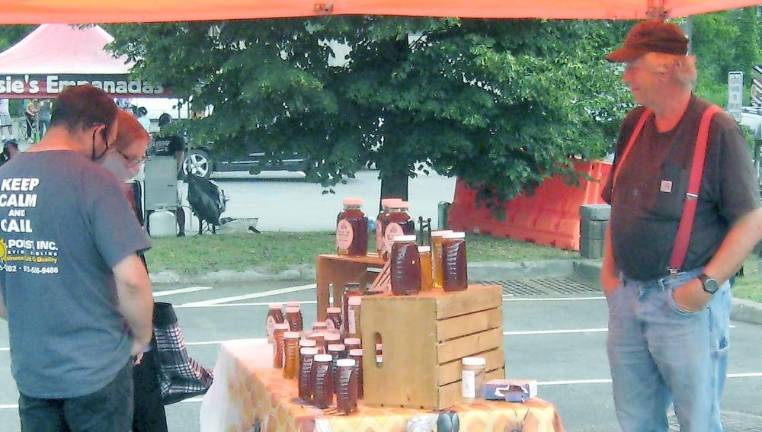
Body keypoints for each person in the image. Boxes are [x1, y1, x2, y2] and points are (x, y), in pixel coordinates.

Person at [601, 21, 762, 431]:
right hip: (628, 296)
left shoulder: (717, 129)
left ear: (666, 67)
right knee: (636, 422)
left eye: (632, 66)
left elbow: (751, 220)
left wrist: (704, 288)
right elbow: (616, 202)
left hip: (684, 304)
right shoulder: (633, 125)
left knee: (698, 423)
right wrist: (609, 277)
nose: (626, 76)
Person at [0, 85, 154, 432]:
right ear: (98, 131)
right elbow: (131, 280)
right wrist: (141, 337)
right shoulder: (96, 182)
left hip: (33, 372)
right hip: (97, 373)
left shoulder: (3, 179)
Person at [112, 111, 169, 432]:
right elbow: (131, 278)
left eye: (141, 160)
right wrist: (141, 334)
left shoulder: (115, 192)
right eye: (132, 159)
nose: (136, 168)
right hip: (122, 336)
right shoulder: (104, 197)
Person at [151, 113, 186, 236]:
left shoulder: (177, 138)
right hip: (159, 174)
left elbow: (179, 156)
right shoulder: (158, 138)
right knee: (155, 201)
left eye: (165, 126)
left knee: (176, 202)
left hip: (174, 175)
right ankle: (153, 229)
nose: (163, 128)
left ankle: (181, 230)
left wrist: (173, 174)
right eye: (162, 126)